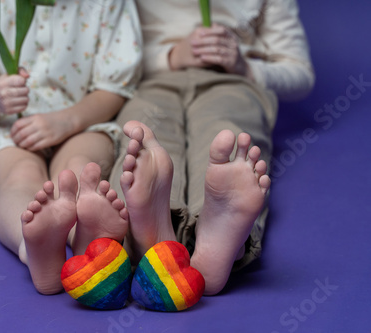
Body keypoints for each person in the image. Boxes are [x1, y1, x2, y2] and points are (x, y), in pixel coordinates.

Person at [0, 0, 142, 295]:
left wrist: (67, 121)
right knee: (20, 175)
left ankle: (84, 235)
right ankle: (30, 243)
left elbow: (115, 87)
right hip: (4, 128)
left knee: (79, 168)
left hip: (81, 119)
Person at [109, 0, 315, 295]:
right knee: (147, 142)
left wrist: (245, 66)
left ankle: (209, 235)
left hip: (233, 82)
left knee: (224, 134)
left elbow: (300, 74)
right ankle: (164, 233)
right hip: (150, 82)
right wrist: (169, 57)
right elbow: (106, 58)